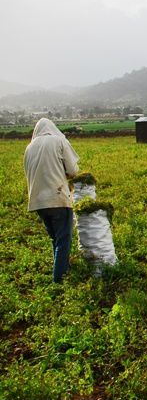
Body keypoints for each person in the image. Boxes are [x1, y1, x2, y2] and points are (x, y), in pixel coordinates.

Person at [24, 118, 80, 283]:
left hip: (38, 202)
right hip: (57, 198)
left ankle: (62, 270)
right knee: (63, 240)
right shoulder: (58, 141)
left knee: (55, 239)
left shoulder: (29, 147)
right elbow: (73, 170)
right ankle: (60, 280)